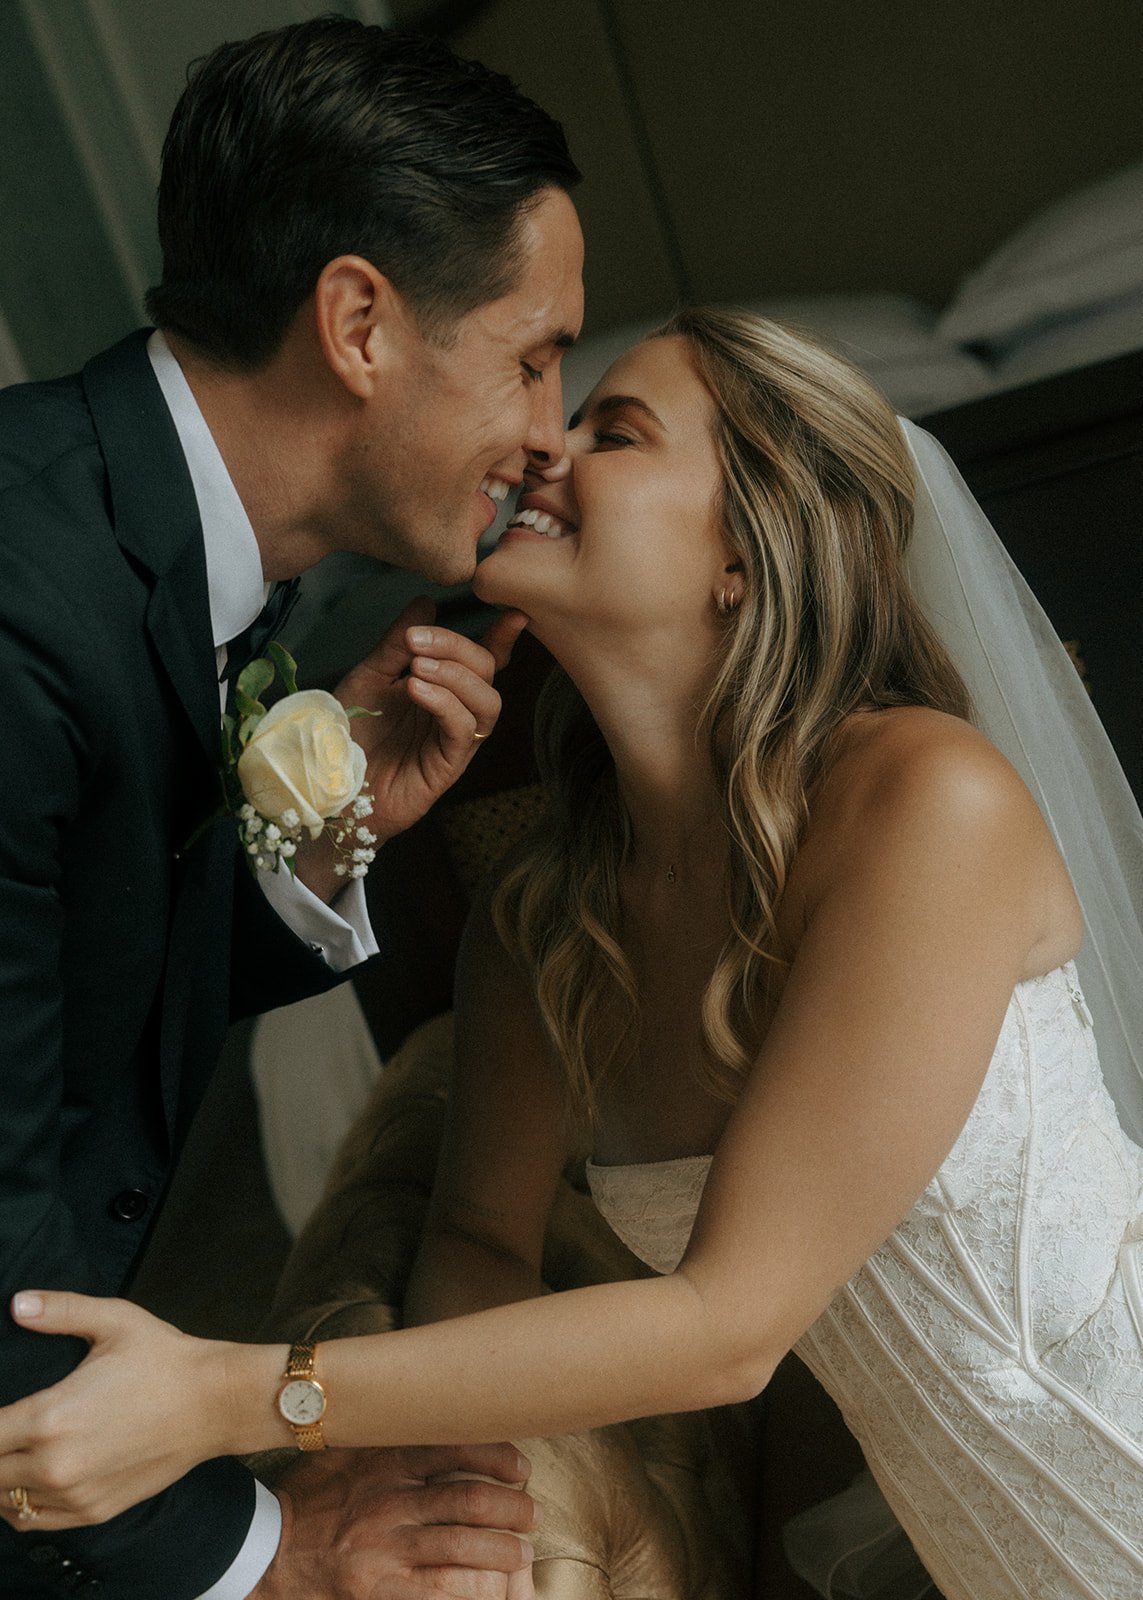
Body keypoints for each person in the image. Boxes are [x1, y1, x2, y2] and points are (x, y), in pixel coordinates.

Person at [4, 308, 1143, 1600]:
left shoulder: (924, 802)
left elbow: (727, 1331)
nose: (547, 447)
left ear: (746, 556)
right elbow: (475, 1248)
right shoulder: (547, 925)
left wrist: (230, 1397)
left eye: (618, 431)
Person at [0, 14, 585, 1600]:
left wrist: (320, 844)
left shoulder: (199, 561)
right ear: (360, 322)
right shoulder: (19, 603)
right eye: (532, 355)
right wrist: (264, 1549)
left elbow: (70, 973)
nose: (550, 433)